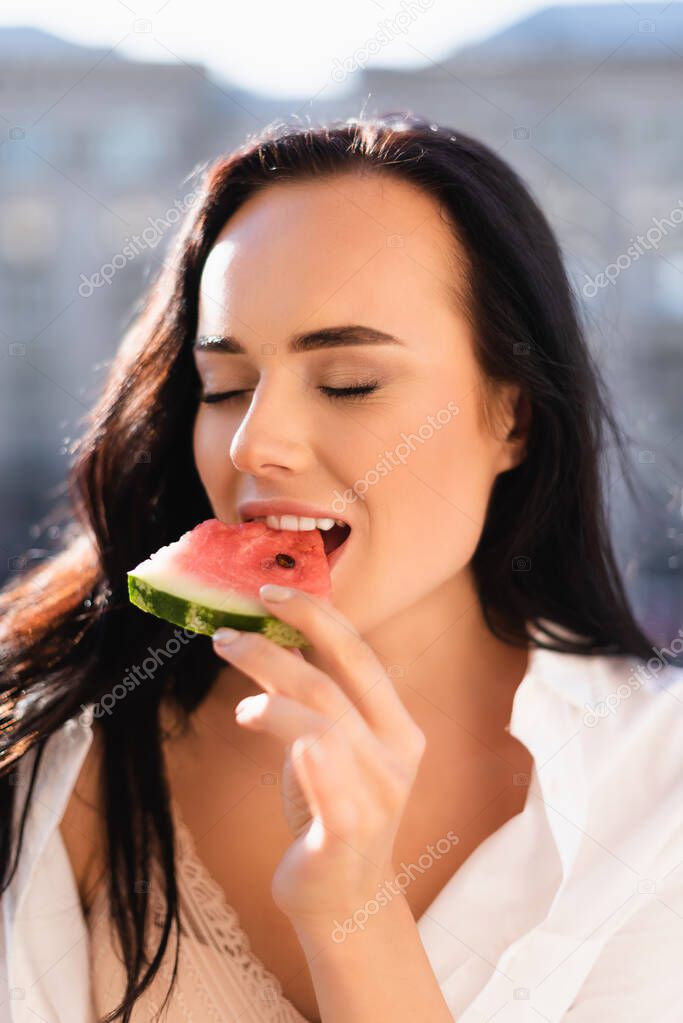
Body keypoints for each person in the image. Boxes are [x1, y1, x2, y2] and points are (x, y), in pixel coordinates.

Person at [1, 113, 682, 1023]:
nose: (256, 442)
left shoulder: (659, 788)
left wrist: (352, 913)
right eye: (225, 387)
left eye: (348, 382)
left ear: (510, 417)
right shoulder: (64, 756)